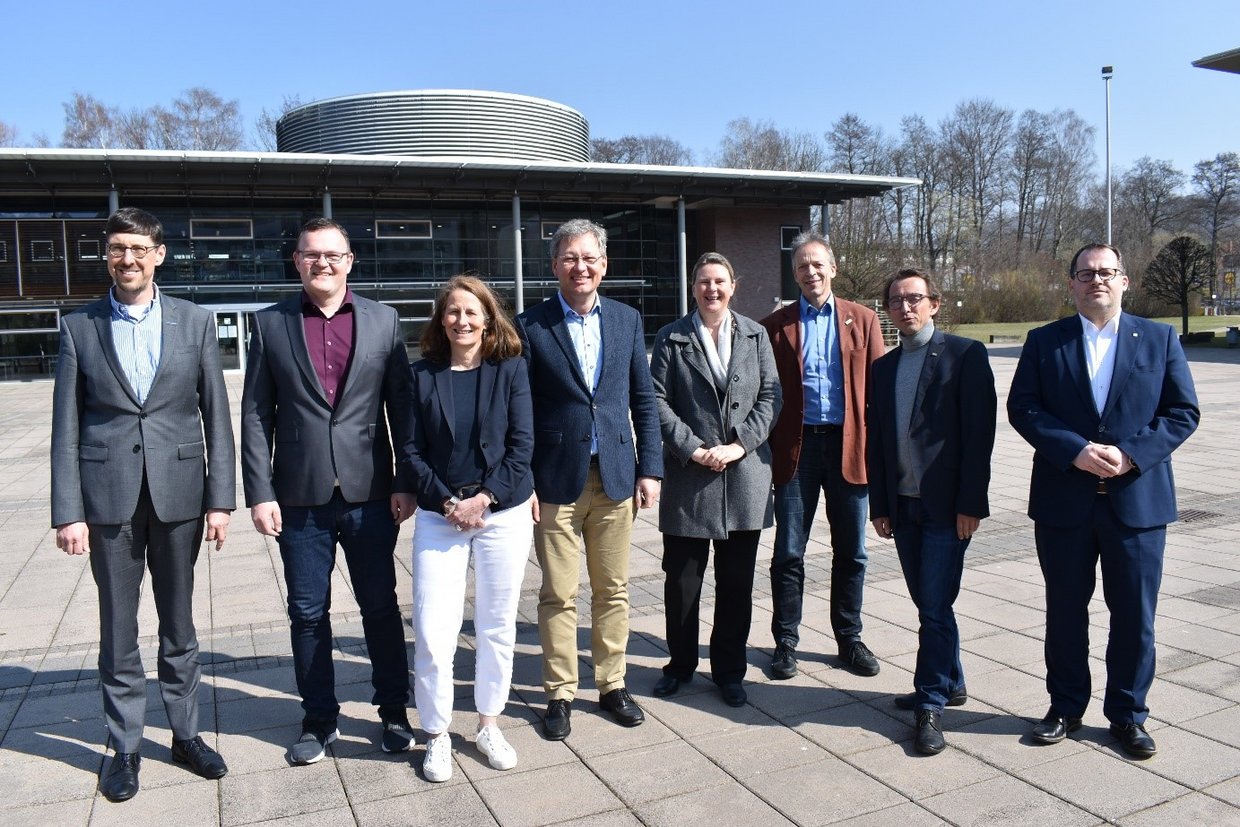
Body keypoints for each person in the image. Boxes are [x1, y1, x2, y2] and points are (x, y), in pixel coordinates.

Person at [50, 207, 234, 802]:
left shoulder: (195, 322)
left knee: (179, 625)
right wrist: (68, 510)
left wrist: (221, 501)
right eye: (115, 249)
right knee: (118, 629)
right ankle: (125, 746)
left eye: (137, 248)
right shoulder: (80, 327)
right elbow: (66, 426)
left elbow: (217, 416)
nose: (126, 259)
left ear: (158, 254)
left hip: (180, 495)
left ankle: (184, 735)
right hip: (108, 501)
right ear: (107, 256)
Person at [1008, 243, 1199, 759]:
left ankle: (1128, 715)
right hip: (1064, 503)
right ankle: (1065, 707)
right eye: (1086, 273)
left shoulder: (1159, 339)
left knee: (1134, 616)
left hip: (1136, 503)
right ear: (1071, 283)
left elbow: (1182, 413)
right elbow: (1023, 408)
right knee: (1065, 612)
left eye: (1107, 272)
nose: (1097, 280)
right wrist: (1074, 450)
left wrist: (1131, 454)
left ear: (1125, 280)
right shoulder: (1045, 341)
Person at [240, 217, 416, 765]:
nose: (323, 263)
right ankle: (319, 719)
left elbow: (403, 411)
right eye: (311, 254)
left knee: (380, 608)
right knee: (308, 613)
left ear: (350, 260)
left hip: (370, 493)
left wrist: (407, 482)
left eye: (333, 254)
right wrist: (259, 492)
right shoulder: (271, 326)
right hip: (298, 496)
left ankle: (393, 712)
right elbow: (254, 414)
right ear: (296, 261)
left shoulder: (383, 322)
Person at [515, 218, 663, 740]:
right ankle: (560, 692)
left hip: (617, 476)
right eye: (570, 258)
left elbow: (642, 399)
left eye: (590, 257)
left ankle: (612, 684)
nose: (581, 266)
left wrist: (651, 468)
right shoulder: (530, 326)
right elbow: (522, 410)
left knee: (613, 590)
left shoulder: (625, 319)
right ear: (554, 266)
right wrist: (524, 480)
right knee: (558, 593)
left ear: (604, 264)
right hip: (554, 482)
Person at [403, 276, 534, 782]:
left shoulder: (512, 370)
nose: (462, 320)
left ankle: (488, 723)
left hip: (502, 513)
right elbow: (409, 449)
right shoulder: (420, 376)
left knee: (498, 625)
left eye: (471, 312)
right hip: (441, 518)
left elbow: (522, 446)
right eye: (452, 312)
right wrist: (448, 502)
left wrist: (484, 498)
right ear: (441, 320)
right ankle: (436, 734)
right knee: (435, 633)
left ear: (488, 318)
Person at [867, 268, 996, 755]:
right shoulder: (884, 367)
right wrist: (880, 504)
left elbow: (978, 438)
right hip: (903, 507)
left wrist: (971, 505)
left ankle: (930, 702)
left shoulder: (964, 356)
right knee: (930, 603)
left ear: (934, 304)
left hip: (946, 508)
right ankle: (952, 680)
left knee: (936, 608)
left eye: (915, 298)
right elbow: (879, 442)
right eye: (896, 300)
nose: (906, 307)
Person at [649, 253, 780, 708]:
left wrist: (740, 444)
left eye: (719, 281)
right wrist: (694, 448)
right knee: (682, 583)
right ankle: (680, 665)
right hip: (691, 479)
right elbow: (656, 403)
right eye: (703, 282)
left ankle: (729, 671)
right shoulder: (671, 338)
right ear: (693, 287)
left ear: (733, 285)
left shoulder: (755, 334)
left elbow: (771, 395)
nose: (712, 289)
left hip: (744, 478)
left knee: (736, 584)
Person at [760, 230, 885, 679]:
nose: (810, 272)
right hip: (797, 450)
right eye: (801, 267)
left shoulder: (863, 319)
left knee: (852, 551)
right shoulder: (776, 326)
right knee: (789, 552)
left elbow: (879, 390)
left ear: (832, 267)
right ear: (794, 275)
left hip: (849, 447)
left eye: (817, 264)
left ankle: (848, 638)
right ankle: (786, 642)